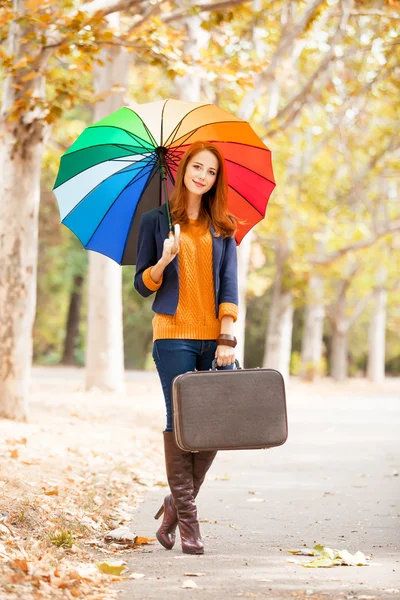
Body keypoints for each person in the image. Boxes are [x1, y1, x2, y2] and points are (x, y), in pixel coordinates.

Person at [134, 141, 239, 555]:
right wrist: (163, 260)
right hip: (172, 333)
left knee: (213, 424)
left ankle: (175, 504)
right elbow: (142, 285)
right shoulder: (155, 221)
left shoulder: (224, 227)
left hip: (214, 338)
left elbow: (229, 283)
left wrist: (226, 336)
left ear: (217, 180)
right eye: (197, 167)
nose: (202, 176)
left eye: (211, 171)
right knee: (180, 422)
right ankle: (191, 525)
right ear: (183, 171)